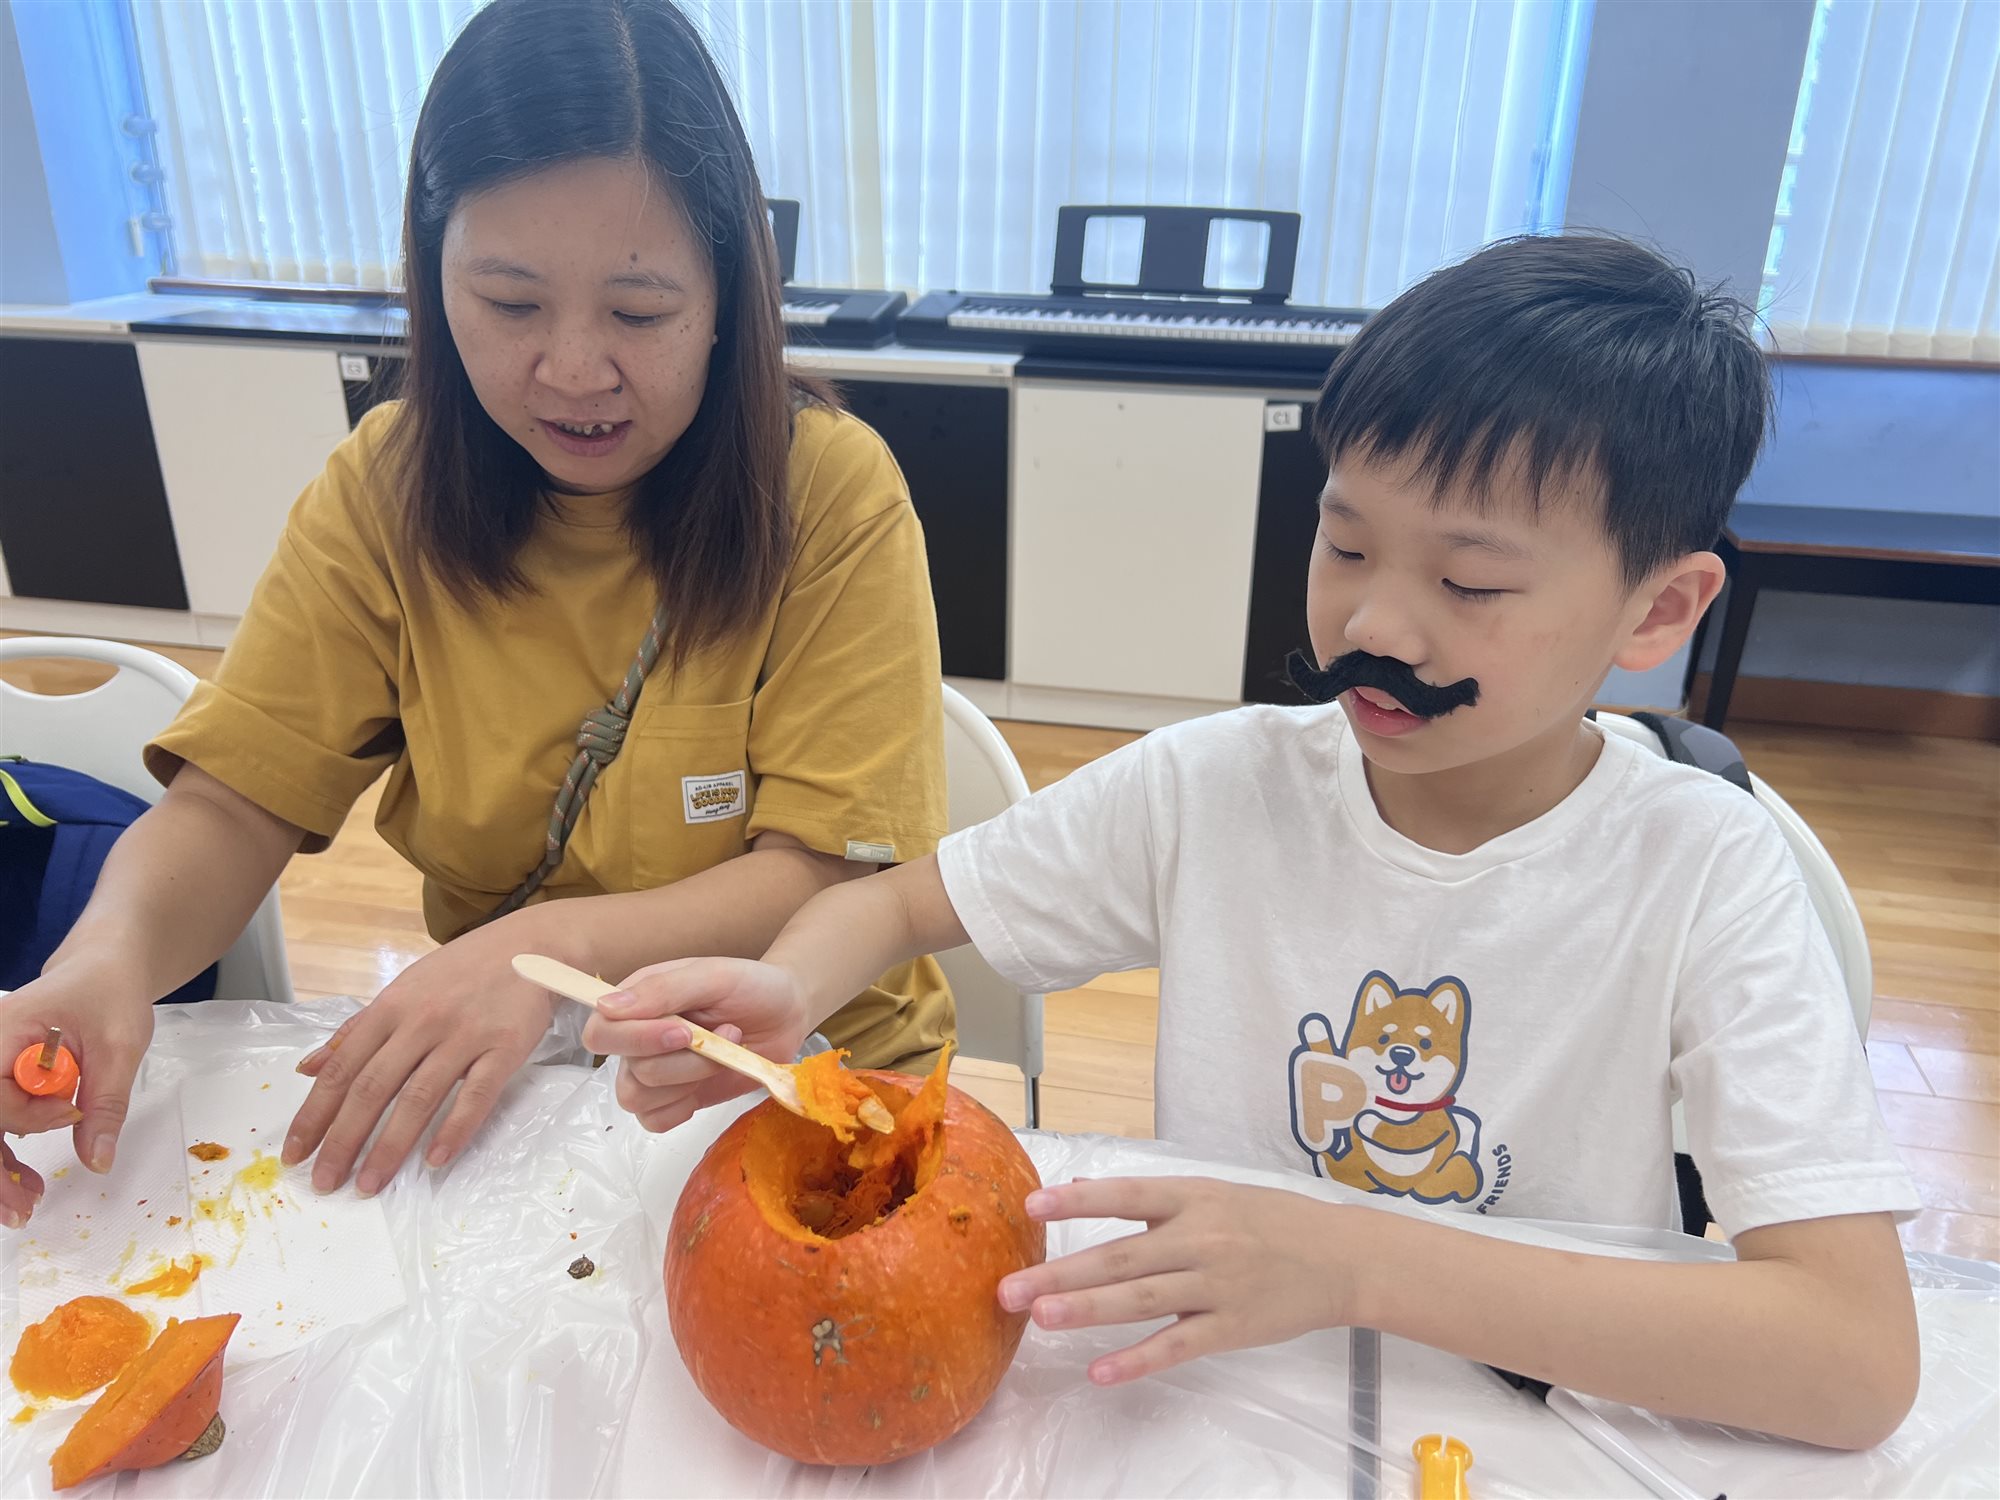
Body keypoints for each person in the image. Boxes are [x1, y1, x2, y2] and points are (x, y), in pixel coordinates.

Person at [581, 236, 1921, 1449]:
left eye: (1468, 582)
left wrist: (1354, 1262)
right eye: (1345, 545)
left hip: (1527, 1428)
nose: (1373, 625)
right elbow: (891, 906)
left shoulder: (1703, 870)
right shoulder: (1216, 788)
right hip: (1220, 1415)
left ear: (1658, 611)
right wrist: (792, 984)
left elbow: (1852, 1362)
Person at [0, 0, 950, 1228]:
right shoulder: (387, 487)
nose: (573, 369)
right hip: (522, 1076)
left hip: (795, 1075)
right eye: (507, 303)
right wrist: (106, 957)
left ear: (729, 291)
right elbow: (235, 803)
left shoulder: (826, 491)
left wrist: (541, 952)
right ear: (432, 274)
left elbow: (819, 870)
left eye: (639, 312)